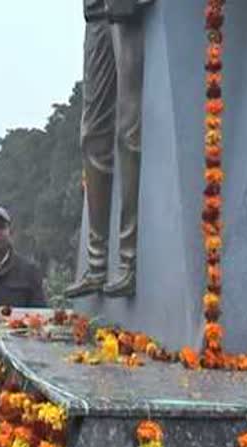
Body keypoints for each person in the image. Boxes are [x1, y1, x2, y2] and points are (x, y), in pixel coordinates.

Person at [64, 0, 152, 298]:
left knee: (128, 132)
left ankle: (127, 263)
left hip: (127, 9)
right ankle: (96, 265)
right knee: (91, 135)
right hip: (97, 12)